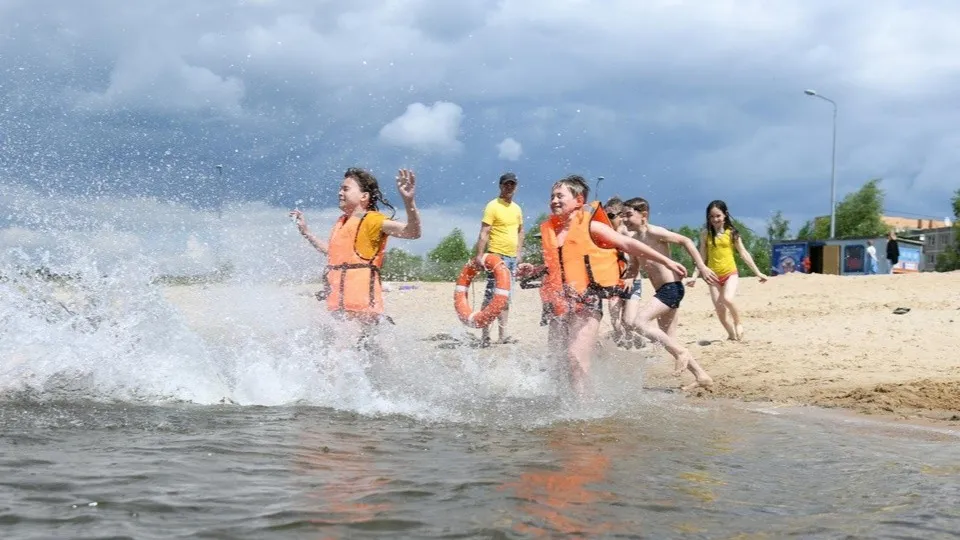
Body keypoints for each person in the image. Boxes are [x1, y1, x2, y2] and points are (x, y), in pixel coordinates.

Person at [516, 175, 688, 396]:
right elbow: (561, 265)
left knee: (575, 359)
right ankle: (561, 413)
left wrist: (666, 260)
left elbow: (628, 243)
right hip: (558, 304)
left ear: (578, 200)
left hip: (585, 302)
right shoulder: (552, 231)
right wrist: (535, 270)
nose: (554, 200)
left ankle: (584, 411)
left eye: (560, 196)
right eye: (552, 196)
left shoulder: (591, 226)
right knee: (557, 363)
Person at [290, 168, 421, 349]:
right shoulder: (343, 223)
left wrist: (409, 201)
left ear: (364, 196)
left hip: (362, 313)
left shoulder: (372, 220)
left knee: (337, 360)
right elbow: (333, 254)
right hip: (340, 311)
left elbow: (412, 232)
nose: (339, 192)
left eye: (345, 189)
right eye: (340, 189)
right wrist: (306, 233)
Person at [619, 197, 719, 390]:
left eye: (629, 215)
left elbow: (686, 240)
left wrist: (702, 267)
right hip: (662, 290)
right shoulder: (633, 240)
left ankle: (682, 352)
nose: (625, 219)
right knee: (667, 339)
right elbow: (634, 267)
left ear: (644, 215)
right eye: (623, 216)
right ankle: (701, 375)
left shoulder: (655, 232)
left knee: (639, 322)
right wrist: (628, 277)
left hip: (672, 288)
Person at [688, 200, 767, 342]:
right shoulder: (706, 234)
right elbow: (701, 256)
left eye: (718, 216)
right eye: (711, 217)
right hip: (712, 276)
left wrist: (758, 272)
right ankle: (731, 334)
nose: (715, 219)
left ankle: (738, 322)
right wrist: (694, 276)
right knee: (720, 312)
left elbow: (743, 253)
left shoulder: (732, 233)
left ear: (725, 215)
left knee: (727, 299)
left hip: (730, 273)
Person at [473, 172, 524, 347]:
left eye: (512, 184)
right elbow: (484, 232)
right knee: (491, 296)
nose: (509, 187)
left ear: (516, 187)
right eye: (506, 184)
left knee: (506, 298)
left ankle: (503, 335)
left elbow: (520, 231)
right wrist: (480, 255)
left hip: (511, 258)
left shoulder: (517, 209)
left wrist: (519, 253)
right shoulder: (492, 206)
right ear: (500, 186)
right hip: (496, 256)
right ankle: (485, 335)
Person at [603, 196, 644, 349]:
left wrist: (631, 276)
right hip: (614, 284)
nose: (608, 219)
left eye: (611, 216)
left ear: (621, 216)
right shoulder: (605, 233)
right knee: (615, 323)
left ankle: (635, 341)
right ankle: (628, 348)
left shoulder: (627, 233)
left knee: (629, 322)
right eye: (606, 216)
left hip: (633, 282)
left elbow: (638, 257)